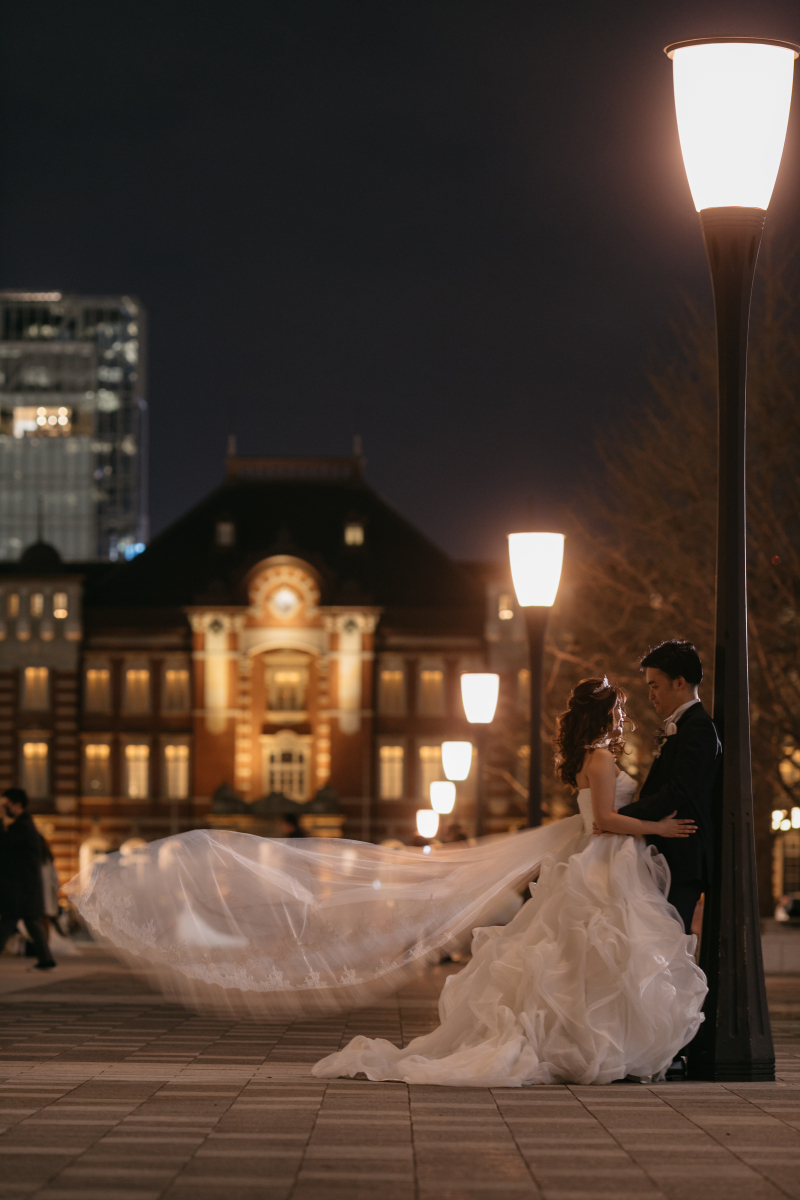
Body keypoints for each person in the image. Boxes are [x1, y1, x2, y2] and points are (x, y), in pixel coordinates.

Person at [67, 676, 706, 1086]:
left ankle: (595, 1038)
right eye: (621, 708)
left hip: (599, 867)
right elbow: (602, 821)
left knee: (579, 953)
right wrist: (659, 828)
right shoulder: (601, 759)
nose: (627, 715)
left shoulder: (592, 757)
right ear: (605, 717)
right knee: (590, 952)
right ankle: (598, 1040)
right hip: (603, 861)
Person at [0, 788, 57, 970]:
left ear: (17, 805)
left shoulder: (22, 826)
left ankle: (46, 960)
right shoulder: (24, 824)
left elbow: (3, 845)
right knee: (31, 923)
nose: (4, 808)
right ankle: (46, 961)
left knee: (7, 922)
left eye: (6, 805)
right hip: (25, 888)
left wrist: (0, 820)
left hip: (20, 888)